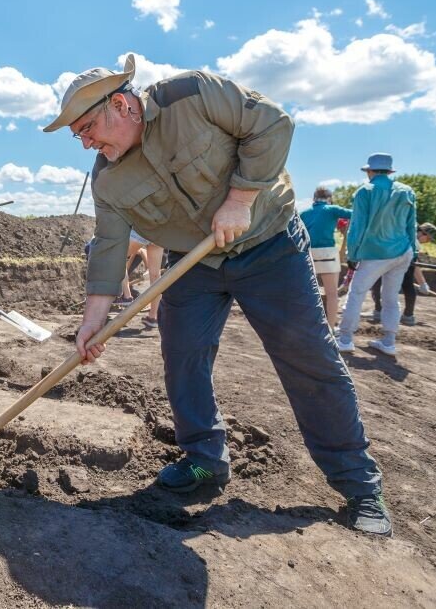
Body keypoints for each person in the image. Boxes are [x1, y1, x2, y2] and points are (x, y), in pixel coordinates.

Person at [45, 55, 391, 536]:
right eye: (76, 135)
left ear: (121, 105)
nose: (85, 143)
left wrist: (240, 199)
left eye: (86, 128)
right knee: (182, 354)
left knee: (307, 355)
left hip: (269, 244)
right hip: (195, 263)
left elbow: (272, 123)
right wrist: (93, 321)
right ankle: (204, 460)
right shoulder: (107, 177)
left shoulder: (193, 95)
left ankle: (358, 483)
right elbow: (107, 248)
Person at [337, 154, 417, 357]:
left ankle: (345, 338)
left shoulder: (365, 191)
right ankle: (389, 341)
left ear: (370, 171)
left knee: (356, 293)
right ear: (390, 171)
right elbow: (411, 225)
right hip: (403, 251)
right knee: (391, 297)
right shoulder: (406, 191)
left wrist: (352, 254)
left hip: (376, 253)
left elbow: (357, 226)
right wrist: (413, 253)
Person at [300, 186, 352, 328]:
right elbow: (354, 214)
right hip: (328, 253)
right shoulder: (332, 209)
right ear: (329, 199)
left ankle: (306, 323)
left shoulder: (304, 213)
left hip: (309, 254)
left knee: (307, 293)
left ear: (314, 199)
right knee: (332, 294)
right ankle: (330, 327)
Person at [368, 222, 436, 326]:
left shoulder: (408, 229)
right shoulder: (413, 241)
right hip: (388, 255)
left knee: (379, 282)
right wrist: (422, 283)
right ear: (422, 233)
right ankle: (407, 315)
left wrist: (423, 283)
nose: (427, 242)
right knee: (407, 284)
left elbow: (413, 264)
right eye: (428, 239)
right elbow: (414, 266)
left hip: (386, 253)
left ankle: (379, 311)